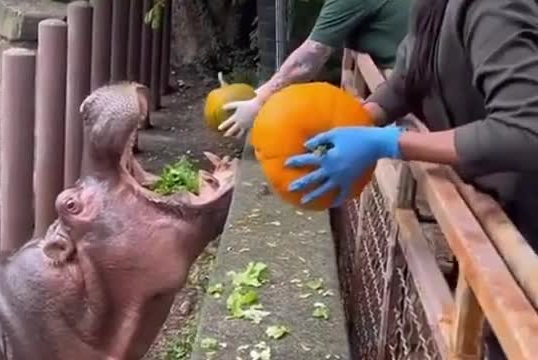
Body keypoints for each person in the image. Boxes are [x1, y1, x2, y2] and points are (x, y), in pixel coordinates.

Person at [285, 0, 538, 357]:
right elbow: (409, 76)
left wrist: (391, 143)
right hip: (499, 205)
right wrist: (357, 119)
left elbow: (524, 131)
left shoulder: (495, 7)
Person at [218, 0, 410, 138]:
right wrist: (260, 94)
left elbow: (310, 57)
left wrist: (259, 101)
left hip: (416, 98)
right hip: (410, 84)